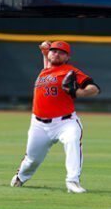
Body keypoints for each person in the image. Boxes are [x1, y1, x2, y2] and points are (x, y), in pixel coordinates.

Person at [10, 41, 100, 193]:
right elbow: (48, 62)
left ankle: (72, 181)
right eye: (54, 51)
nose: (56, 54)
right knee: (32, 160)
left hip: (66, 122)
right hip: (38, 124)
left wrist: (80, 92)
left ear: (67, 57)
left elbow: (94, 88)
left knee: (72, 142)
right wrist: (44, 51)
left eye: (61, 52)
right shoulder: (45, 71)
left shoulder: (70, 71)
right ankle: (21, 177)